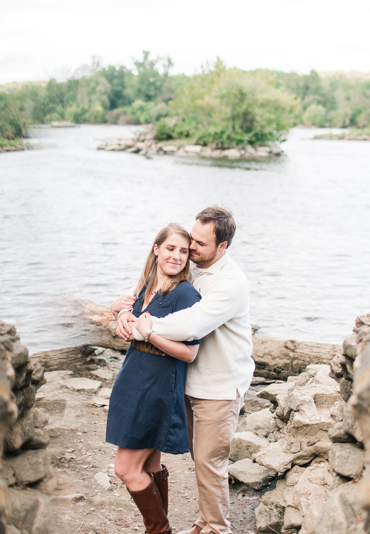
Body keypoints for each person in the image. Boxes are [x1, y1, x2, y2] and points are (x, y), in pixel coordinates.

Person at [114, 206, 254, 534]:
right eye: (191, 240)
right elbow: (153, 295)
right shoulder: (197, 270)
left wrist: (142, 329)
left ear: (223, 247)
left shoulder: (229, 283)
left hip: (219, 388)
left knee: (210, 465)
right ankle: (203, 522)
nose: (190, 249)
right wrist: (119, 310)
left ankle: (217, 529)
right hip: (191, 384)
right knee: (201, 461)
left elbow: (191, 324)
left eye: (199, 245)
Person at [106, 223, 202, 534]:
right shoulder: (147, 284)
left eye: (184, 251)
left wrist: (149, 334)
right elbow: (132, 321)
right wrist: (119, 313)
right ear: (156, 249)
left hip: (157, 386)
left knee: (125, 469)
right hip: (134, 378)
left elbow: (190, 353)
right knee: (148, 466)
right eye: (171, 248)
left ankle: (159, 531)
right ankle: (161, 529)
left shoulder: (185, 293)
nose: (177, 256)